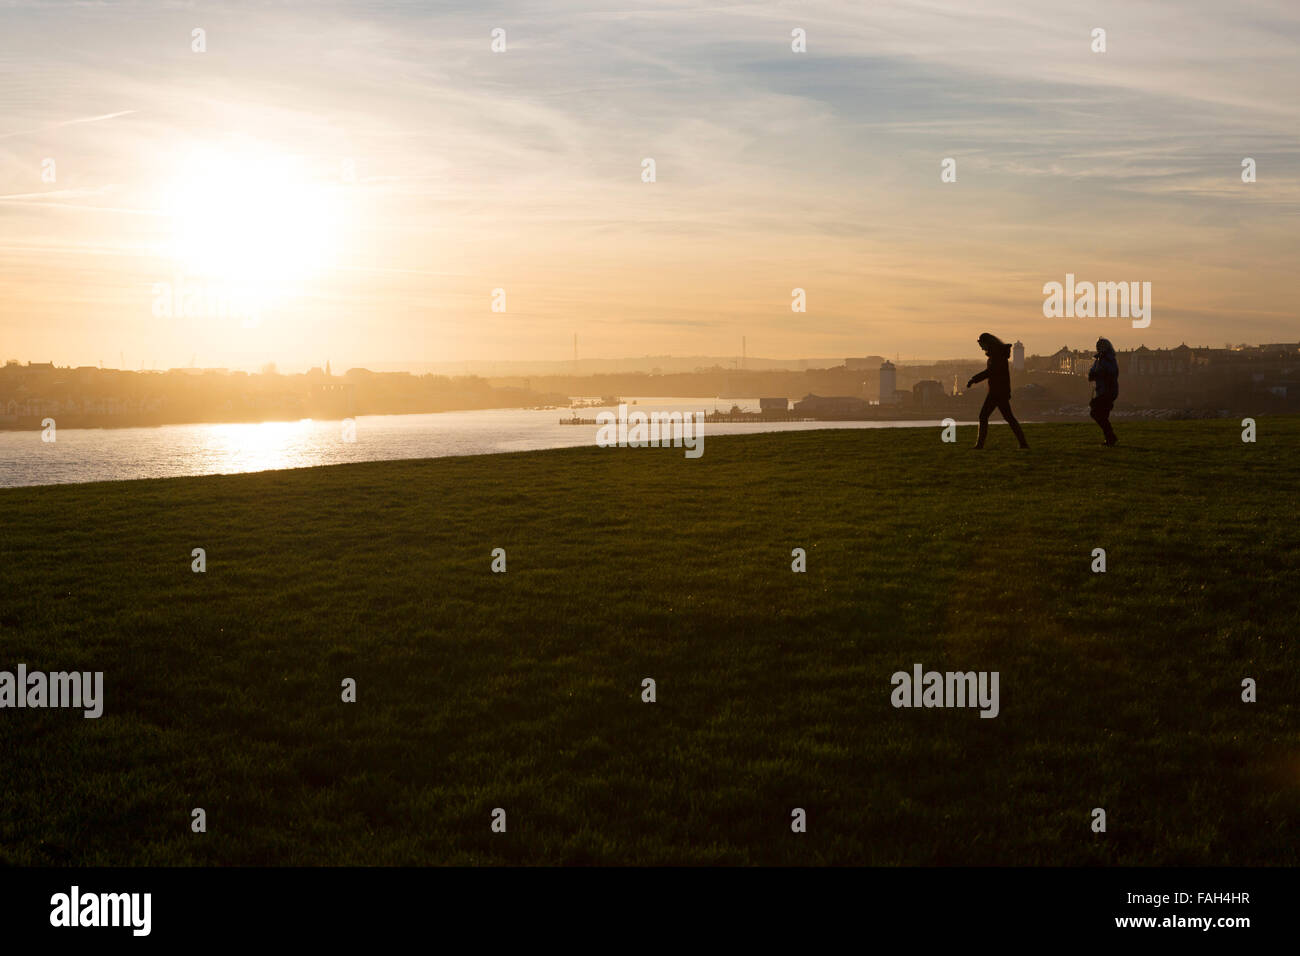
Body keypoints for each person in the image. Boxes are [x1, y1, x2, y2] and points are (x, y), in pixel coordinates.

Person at [966, 332, 1028, 449]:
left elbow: (990, 372)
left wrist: (973, 379)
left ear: (987, 343)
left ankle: (980, 445)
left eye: (981, 344)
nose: (981, 348)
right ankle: (1023, 444)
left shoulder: (997, 356)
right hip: (999, 391)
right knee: (1008, 418)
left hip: (997, 392)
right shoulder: (998, 354)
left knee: (984, 416)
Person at [1087, 337, 1119, 446]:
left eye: (1100, 346)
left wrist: (1099, 374)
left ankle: (1111, 437)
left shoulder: (1109, 359)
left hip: (1108, 391)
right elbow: (1093, 372)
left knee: (1096, 413)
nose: (1098, 347)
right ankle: (1110, 438)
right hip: (1102, 391)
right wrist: (1091, 375)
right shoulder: (1098, 360)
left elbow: (1112, 373)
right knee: (1100, 415)